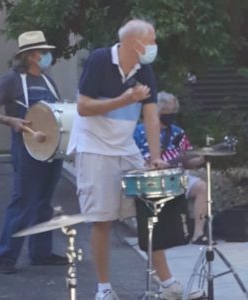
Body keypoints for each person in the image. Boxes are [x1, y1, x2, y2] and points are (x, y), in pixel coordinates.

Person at [67, 18, 202, 300]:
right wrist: (125, 99)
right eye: (151, 40)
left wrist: (154, 157)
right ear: (133, 42)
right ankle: (103, 289)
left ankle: (167, 283)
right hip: (94, 147)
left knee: (148, 211)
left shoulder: (145, 69)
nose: (154, 46)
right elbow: (83, 107)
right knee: (102, 220)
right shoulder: (100, 59)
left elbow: (151, 114)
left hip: (125, 146)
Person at [0, 31, 68, 274]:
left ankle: (41, 253)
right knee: (23, 202)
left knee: (43, 203)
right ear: (31, 56)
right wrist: (11, 120)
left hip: (51, 148)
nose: (48, 56)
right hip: (27, 148)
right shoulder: (11, 80)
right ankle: (6, 257)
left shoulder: (49, 81)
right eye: (44, 52)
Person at [134, 91, 208, 244]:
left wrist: (201, 158)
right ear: (158, 111)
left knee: (202, 187)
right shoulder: (140, 131)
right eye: (168, 110)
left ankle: (198, 233)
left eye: (174, 110)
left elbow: (187, 161)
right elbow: (136, 161)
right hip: (153, 180)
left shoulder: (178, 132)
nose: (171, 114)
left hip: (178, 177)